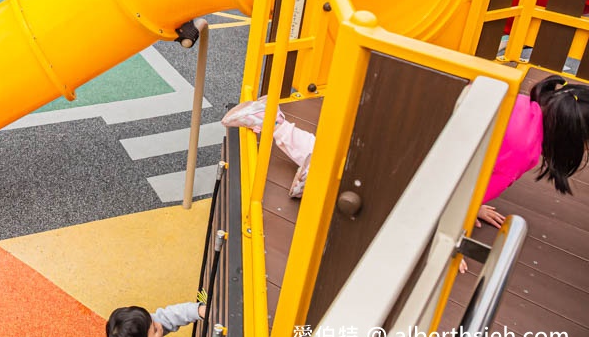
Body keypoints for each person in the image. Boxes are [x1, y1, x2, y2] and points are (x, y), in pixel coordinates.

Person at [223, 76, 589, 210]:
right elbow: (465, 188)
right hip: (409, 165)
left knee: (349, 158)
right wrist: (453, 235)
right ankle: (289, 144)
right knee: (358, 185)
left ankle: (274, 125)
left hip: (401, 133)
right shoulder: (526, 148)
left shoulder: (521, 104)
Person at [106, 302, 209, 337]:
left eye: (153, 321)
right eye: (155, 330)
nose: (159, 325)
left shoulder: (142, 332)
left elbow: (167, 317)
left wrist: (197, 311)